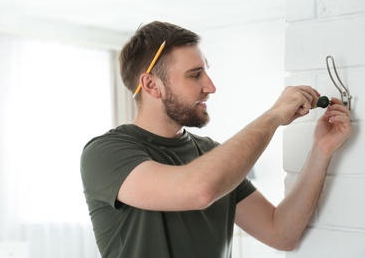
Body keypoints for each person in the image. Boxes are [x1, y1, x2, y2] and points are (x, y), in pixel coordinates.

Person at [80, 21, 351, 258]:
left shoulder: (211, 154)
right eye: (195, 74)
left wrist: (321, 150)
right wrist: (273, 116)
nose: (210, 87)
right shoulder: (106, 153)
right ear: (151, 85)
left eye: (206, 72)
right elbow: (199, 190)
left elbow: (281, 233)